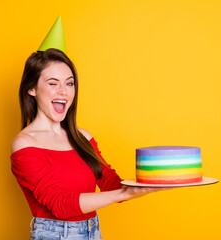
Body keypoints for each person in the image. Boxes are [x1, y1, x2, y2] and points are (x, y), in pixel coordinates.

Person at [10, 48, 166, 240]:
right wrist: (125, 193)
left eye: (69, 83)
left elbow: (109, 181)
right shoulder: (24, 144)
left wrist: (150, 183)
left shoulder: (82, 137)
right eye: (53, 83)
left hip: (93, 231)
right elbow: (60, 205)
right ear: (31, 88)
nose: (63, 91)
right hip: (56, 235)